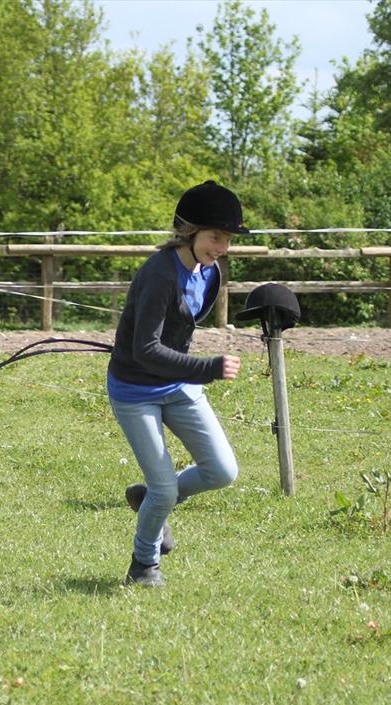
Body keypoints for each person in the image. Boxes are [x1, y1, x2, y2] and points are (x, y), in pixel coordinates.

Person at [107, 180, 247, 587]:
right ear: (188, 233)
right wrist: (208, 368)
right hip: (135, 390)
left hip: (177, 387)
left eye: (226, 240)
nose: (221, 247)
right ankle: (143, 565)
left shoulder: (211, 273)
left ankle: (147, 498)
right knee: (165, 490)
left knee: (222, 471)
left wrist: (191, 374)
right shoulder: (158, 276)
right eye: (214, 237)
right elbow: (145, 351)